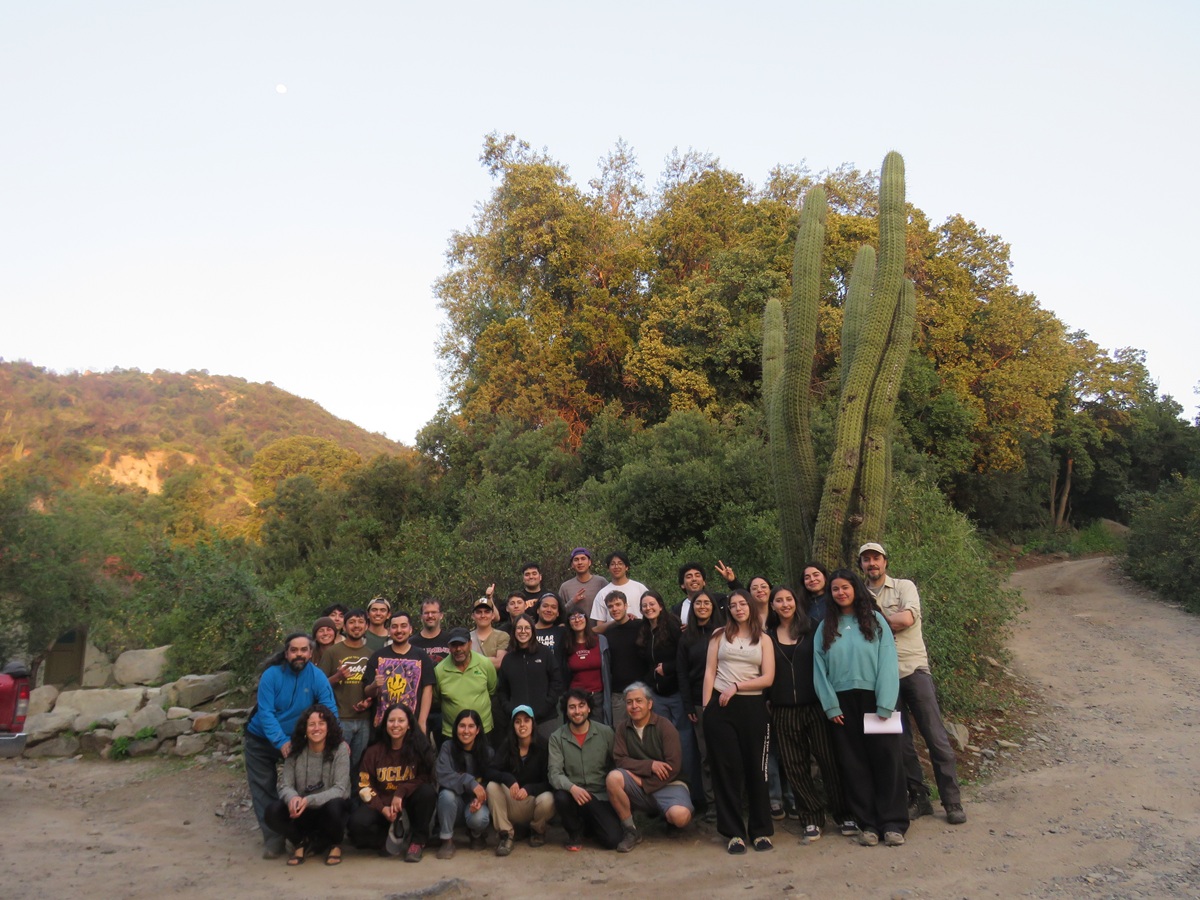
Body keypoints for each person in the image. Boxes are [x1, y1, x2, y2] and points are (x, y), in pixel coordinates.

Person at [859, 542, 966, 826]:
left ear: (885, 562)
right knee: (895, 742)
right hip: (878, 679)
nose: (872, 563)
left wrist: (872, 623)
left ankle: (952, 800)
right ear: (861, 565)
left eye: (876, 558)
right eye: (866, 559)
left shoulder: (905, 587)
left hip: (913, 669)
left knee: (935, 735)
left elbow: (906, 619)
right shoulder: (857, 593)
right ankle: (917, 797)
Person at [814, 568, 907, 847]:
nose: (841, 593)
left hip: (876, 700)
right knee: (854, 764)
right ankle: (868, 823)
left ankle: (893, 823)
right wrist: (830, 706)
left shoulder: (875, 620)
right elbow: (818, 669)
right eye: (835, 589)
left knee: (887, 760)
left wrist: (885, 702)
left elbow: (889, 662)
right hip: (842, 705)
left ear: (855, 588)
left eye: (845, 587)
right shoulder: (825, 626)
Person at [244, 633, 338, 859]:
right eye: (294, 650)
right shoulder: (271, 676)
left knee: (306, 785)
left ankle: (307, 835)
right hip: (260, 739)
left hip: (297, 740)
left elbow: (329, 708)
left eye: (304, 650)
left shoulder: (317, 677)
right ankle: (273, 839)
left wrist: (337, 740)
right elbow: (265, 712)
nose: (299, 654)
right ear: (286, 653)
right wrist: (280, 741)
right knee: (264, 787)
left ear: (311, 652)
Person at [766, 585, 849, 842]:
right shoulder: (767, 636)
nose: (784, 604)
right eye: (778, 600)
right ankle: (812, 817)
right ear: (772, 606)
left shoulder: (814, 628)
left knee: (828, 761)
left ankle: (844, 813)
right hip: (783, 710)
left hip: (815, 705)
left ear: (796, 602)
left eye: (788, 599)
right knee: (795, 766)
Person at [702, 589, 775, 854]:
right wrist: (706, 706)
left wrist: (736, 686)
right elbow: (710, 671)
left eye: (743, 603)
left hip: (753, 707)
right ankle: (733, 833)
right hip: (721, 707)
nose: (738, 608)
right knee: (726, 771)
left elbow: (767, 678)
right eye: (733, 605)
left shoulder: (764, 639)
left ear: (751, 607)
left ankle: (761, 831)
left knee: (757, 770)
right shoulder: (719, 635)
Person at [606, 682, 693, 852]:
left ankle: (670, 821)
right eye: (629, 702)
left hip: (670, 785)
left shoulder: (665, 726)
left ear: (650, 704)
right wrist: (650, 765)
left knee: (680, 817)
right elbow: (620, 760)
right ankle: (631, 831)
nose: (634, 706)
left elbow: (673, 767)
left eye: (639, 701)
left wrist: (644, 783)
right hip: (639, 784)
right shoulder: (623, 728)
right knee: (613, 778)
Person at [349, 702, 438, 862]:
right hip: (383, 804)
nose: (395, 725)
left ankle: (417, 841)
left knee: (427, 792)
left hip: (408, 802)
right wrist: (382, 808)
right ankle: (388, 834)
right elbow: (363, 785)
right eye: (391, 721)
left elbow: (426, 777)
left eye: (401, 721)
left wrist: (401, 791)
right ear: (385, 724)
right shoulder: (373, 751)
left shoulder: (418, 748)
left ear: (409, 725)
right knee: (357, 825)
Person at [263, 703, 351, 866]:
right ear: (304, 728)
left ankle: (335, 844)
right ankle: (300, 842)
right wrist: (293, 798)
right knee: (272, 811)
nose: (316, 728)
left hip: (328, 811)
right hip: (302, 811)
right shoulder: (295, 750)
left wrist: (309, 800)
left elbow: (340, 789)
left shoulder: (339, 750)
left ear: (329, 727)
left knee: (337, 806)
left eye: (321, 724)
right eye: (311, 724)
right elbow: (285, 785)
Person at [548, 689, 621, 850]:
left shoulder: (606, 733)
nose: (577, 711)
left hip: (600, 797)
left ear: (589, 708)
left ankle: (590, 827)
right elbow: (554, 773)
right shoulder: (557, 737)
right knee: (560, 796)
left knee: (613, 841)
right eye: (572, 707)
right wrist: (572, 788)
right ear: (566, 712)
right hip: (574, 797)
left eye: (581, 706)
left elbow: (619, 763)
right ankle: (574, 834)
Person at [676, 589, 723, 818]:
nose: (702, 606)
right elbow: (682, 674)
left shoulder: (724, 633)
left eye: (707, 602)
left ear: (713, 606)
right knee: (706, 755)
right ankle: (712, 803)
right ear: (692, 608)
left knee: (727, 752)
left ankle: (731, 799)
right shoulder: (686, 638)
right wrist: (687, 706)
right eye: (698, 603)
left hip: (725, 699)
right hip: (697, 703)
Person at [485, 705, 554, 855]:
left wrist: (529, 789)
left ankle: (537, 830)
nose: (522, 725)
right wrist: (508, 779)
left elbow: (551, 781)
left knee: (549, 798)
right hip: (513, 800)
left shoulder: (543, 746)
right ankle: (506, 835)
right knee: (492, 786)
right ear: (513, 726)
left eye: (526, 720)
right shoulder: (508, 745)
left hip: (533, 802)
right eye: (517, 721)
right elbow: (489, 771)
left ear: (533, 724)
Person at [318, 608, 373, 771]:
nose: (356, 626)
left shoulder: (372, 654)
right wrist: (337, 677)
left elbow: (373, 687)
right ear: (344, 626)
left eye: (360, 622)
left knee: (357, 767)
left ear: (366, 626)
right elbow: (318, 687)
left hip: (364, 720)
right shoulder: (332, 652)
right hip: (339, 719)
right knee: (335, 765)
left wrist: (369, 702)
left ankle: (354, 796)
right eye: (352, 622)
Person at [363, 611, 436, 734]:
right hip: (383, 726)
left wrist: (422, 722)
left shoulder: (421, 656)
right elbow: (367, 691)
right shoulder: (378, 656)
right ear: (389, 630)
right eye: (394, 626)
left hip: (412, 725)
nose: (399, 630)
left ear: (410, 629)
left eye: (403, 626)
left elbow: (427, 690)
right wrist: (374, 685)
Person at [434, 708, 493, 858]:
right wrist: (470, 782)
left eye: (471, 726)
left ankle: (476, 834)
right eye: (462, 726)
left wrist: (480, 799)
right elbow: (442, 775)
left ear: (478, 730)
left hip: (474, 805)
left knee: (479, 818)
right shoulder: (447, 747)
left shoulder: (487, 752)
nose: (466, 731)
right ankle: (446, 840)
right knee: (446, 794)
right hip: (454, 805)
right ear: (456, 728)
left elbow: (491, 781)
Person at [497, 614, 563, 737]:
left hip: (546, 719)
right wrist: (510, 709)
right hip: (519, 721)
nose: (523, 632)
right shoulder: (508, 659)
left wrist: (546, 705)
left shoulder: (545, 653)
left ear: (532, 630)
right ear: (514, 631)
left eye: (527, 628)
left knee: (549, 754)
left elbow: (556, 682)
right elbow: (502, 690)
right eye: (519, 628)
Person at [637, 591, 687, 736]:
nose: (648, 608)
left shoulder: (672, 624)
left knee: (682, 732)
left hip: (676, 690)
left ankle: (685, 760)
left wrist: (668, 667)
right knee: (663, 733)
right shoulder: (644, 629)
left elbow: (684, 655)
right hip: (656, 693)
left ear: (660, 606)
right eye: (644, 606)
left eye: (652, 604)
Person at [435, 628, 499, 739]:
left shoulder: (485, 664)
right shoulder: (439, 671)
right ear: (449, 647)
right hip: (452, 733)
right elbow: (437, 698)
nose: (458, 649)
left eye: (462, 644)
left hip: (483, 730)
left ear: (470, 644)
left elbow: (492, 690)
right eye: (454, 645)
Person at [410, 597, 452, 743]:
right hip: (419, 707)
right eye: (426, 613)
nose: (430, 616)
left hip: (445, 706)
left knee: (446, 749)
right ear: (421, 616)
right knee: (421, 750)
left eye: (434, 612)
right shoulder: (412, 642)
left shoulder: (450, 640)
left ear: (441, 615)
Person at [601, 590, 643, 732]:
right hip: (618, 693)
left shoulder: (640, 626)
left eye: (618, 604)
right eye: (611, 606)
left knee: (643, 731)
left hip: (640, 690)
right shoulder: (608, 633)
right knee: (620, 733)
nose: (615, 609)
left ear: (626, 605)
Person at [564, 606, 613, 725]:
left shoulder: (600, 641)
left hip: (597, 697)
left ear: (586, 619)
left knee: (600, 733)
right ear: (568, 623)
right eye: (572, 618)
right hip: (576, 699)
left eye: (580, 616)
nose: (577, 620)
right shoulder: (566, 645)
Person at [590, 551, 647, 631]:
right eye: (612, 564)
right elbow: (600, 627)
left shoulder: (640, 588)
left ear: (626, 567)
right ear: (608, 568)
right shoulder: (602, 594)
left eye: (620, 563)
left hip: (640, 635)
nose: (616, 567)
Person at [673, 560, 740, 624]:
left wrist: (733, 581)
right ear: (682, 585)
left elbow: (746, 599)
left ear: (704, 582)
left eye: (697, 575)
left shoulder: (720, 601)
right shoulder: (677, 609)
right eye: (689, 577)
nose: (694, 579)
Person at [558, 547, 608, 612]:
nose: (580, 562)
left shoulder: (601, 582)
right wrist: (573, 601)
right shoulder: (565, 587)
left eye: (583, 559)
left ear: (589, 562)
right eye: (576, 560)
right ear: (572, 564)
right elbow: (558, 613)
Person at [532, 592, 569, 674]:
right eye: (545, 606)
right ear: (538, 609)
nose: (549, 610)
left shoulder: (563, 632)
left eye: (553, 607)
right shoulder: (527, 632)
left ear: (558, 613)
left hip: (556, 683)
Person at [470, 595, 510, 669]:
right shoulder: (467, 637)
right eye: (479, 612)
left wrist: (471, 661)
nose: (483, 615)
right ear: (473, 616)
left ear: (493, 615)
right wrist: (491, 660)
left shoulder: (502, 636)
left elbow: (499, 662)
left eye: (487, 612)